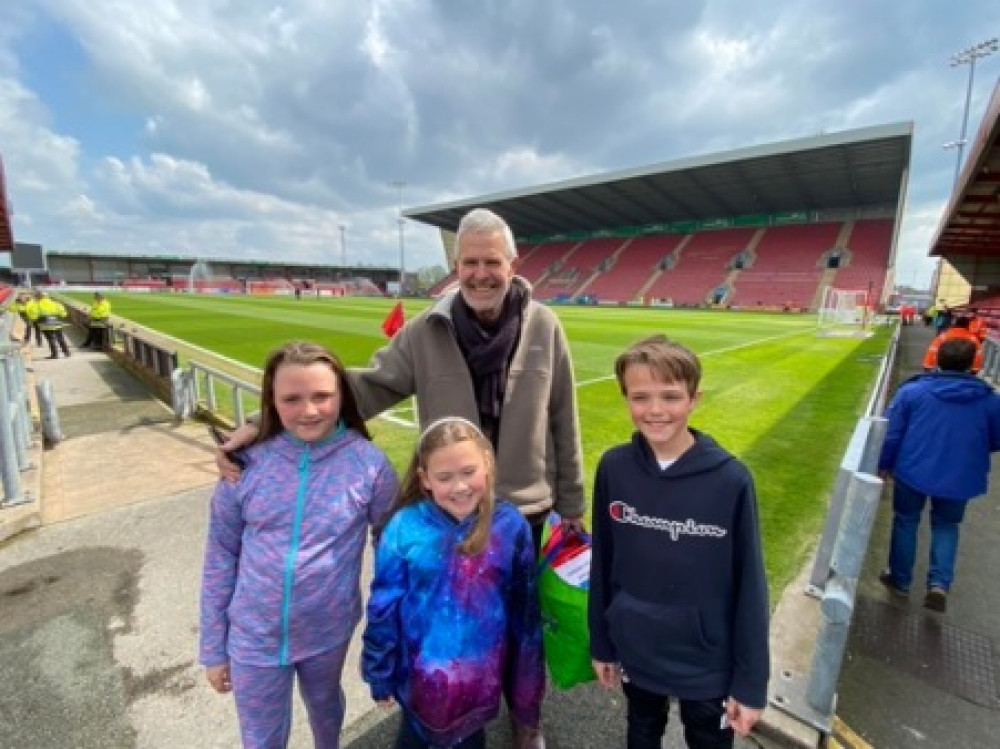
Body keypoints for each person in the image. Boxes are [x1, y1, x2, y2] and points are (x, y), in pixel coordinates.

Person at [218, 207, 587, 546]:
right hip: (453, 508)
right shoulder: (424, 330)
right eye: (470, 262)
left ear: (511, 265)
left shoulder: (544, 325)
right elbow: (368, 388)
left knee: (525, 616)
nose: (480, 274)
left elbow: (562, 417)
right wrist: (261, 422)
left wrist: (572, 505)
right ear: (456, 265)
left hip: (527, 512)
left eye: (492, 262)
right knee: (456, 616)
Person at [199, 341, 399, 749]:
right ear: (272, 402)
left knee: (325, 708)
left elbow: (391, 548)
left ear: (341, 396)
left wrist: (389, 627)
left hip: (328, 631)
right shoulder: (247, 463)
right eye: (292, 399)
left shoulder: (370, 465)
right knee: (261, 736)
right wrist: (213, 646)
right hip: (252, 635)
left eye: (322, 396)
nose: (309, 410)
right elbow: (220, 555)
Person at [588, 334, 769, 749]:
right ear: (625, 398)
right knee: (641, 732)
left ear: (694, 399)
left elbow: (751, 586)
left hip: (704, 662)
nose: (655, 410)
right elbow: (604, 564)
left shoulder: (730, 480)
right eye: (640, 397)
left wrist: (751, 684)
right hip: (637, 649)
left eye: (670, 396)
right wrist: (603, 643)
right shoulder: (614, 468)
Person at [362, 417, 545, 749]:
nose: (459, 487)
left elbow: (526, 616)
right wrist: (379, 672)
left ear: (487, 465)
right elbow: (382, 607)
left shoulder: (510, 526)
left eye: (468, 472)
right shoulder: (405, 527)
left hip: (478, 688)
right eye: (445, 478)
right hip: (419, 686)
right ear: (425, 479)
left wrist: (526, 694)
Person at [878, 337, 1000, 614]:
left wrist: (883, 466)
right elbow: (995, 440)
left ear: (936, 359)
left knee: (906, 522)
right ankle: (938, 585)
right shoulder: (990, 401)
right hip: (960, 476)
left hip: (913, 469)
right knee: (947, 526)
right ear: (974, 365)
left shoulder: (913, 393)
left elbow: (891, 434)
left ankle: (900, 578)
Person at [35, 291, 71, 359]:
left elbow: (33, 315)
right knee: (60, 338)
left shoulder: (37, 304)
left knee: (51, 339)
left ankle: (55, 354)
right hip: (56, 323)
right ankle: (67, 352)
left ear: (39, 296)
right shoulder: (55, 303)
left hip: (45, 324)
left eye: (36, 296)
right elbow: (64, 314)